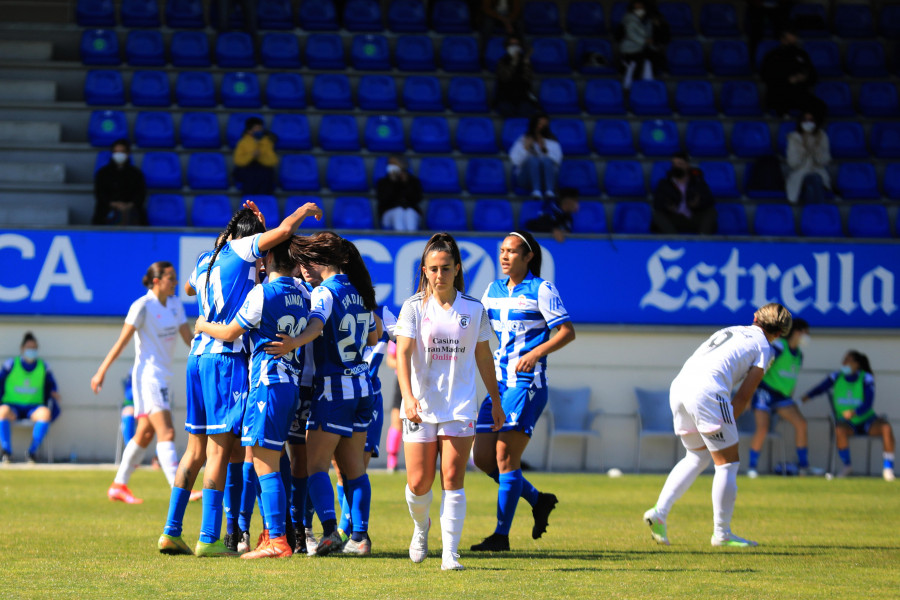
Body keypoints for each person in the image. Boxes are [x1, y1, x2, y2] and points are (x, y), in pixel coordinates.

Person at [156, 200, 321, 557]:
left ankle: (171, 530)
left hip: (195, 357)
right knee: (223, 450)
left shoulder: (206, 258)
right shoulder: (243, 251)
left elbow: (188, 290)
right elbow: (283, 233)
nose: (261, 256)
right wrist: (298, 214)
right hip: (225, 358)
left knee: (195, 450)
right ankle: (211, 537)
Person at [194, 237, 312, 559]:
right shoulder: (303, 292)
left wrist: (204, 324)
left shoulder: (261, 294)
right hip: (290, 383)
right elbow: (318, 324)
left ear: (269, 256)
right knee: (270, 460)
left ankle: (276, 540)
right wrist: (296, 341)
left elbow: (231, 332)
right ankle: (274, 536)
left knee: (263, 464)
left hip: (266, 383)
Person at [396, 232, 504, 570]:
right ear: (424, 271)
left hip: (459, 406)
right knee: (417, 482)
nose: (439, 275)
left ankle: (450, 554)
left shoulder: (474, 309)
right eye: (432, 269)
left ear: (457, 269)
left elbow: (485, 357)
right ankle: (420, 527)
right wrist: (408, 397)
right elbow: (401, 354)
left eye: (445, 268)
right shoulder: (414, 307)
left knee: (452, 477)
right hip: (421, 406)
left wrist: (496, 402)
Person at [267, 232, 380, 556]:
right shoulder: (359, 291)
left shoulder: (324, 293)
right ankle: (359, 538)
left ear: (320, 261)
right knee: (353, 470)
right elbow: (374, 337)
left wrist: (292, 342)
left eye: (308, 260)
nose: (304, 267)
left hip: (334, 389)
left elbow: (316, 327)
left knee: (316, 466)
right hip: (362, 387)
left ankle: (330, 531)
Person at [643, 303, 793, 548]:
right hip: (707, 392)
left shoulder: (731, 329)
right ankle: (722, 534)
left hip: (679, 387)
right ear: (779, 334)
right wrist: (725, 426)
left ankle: (659, 512)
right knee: (728, 463)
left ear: (754, 317)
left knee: (696, 456)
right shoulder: (765, 348)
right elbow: (744, 396)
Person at [471, 230, 576, 552]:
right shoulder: (492, 289)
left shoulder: (541, 289)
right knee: (483, 459)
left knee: (505, 456)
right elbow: (478, 328)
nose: (505, 256)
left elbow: (567, 332)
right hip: (498, 384)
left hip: (526, 385)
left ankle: (501, 536)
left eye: (512, 251)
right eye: (502, 250)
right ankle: (537, 499)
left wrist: (535, 353)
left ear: (528, 256)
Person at [90, 262, 194, 504]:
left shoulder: (176, 305)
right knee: (166, 431)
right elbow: (121, 343)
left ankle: (118, 485)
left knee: (145, 433)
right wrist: (101, 371)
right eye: (171, 278)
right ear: (156, 281)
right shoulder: (142, 306)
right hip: (148, 376)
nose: (175, 283)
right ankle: (179, 488)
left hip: (163, 376)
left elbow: (189, 338)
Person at [335, 306, 397, 545]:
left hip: (368, 397)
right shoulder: (333, 303)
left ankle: (353, 531)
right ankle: (348, 530)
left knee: (356, 467)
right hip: (337, 394)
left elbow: (406, 341)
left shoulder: (383, 314)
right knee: (340, 469)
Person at [802, 351, 896, 481]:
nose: (844, 363)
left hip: (866, 420)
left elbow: (868, 403)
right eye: (844, 359)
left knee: (886, 428)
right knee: (839, 430)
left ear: (857, 364)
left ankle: (888, 469)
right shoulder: (837, 376)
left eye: (848, 360)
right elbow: (821, 388)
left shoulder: (866, 378)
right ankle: (847, 466)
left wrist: (854, 412)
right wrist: (805, 398)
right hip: (847, 423)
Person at [747, 318, 811, 478]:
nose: (808, 337)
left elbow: (792, 379)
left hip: (782, 397)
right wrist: (748, 393)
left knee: (801, 423)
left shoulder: (799, 356)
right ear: (797, 332)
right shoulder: (779, 347)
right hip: (765, 392)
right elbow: (759, 367)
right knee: (762, 428)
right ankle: (752, 467)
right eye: (806, 333)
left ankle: (804, 466)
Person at [0, 333, 61, 464]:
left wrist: (54, 392)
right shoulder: (11, 364)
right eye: (28, 347)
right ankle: (6, 451)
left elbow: (51, 384)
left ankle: (32, 452)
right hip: (13, 407)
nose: (31, 350)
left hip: (33, 407)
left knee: (45, 414)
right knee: (2, 411)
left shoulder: (43, 367)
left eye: (34, 348)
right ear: (22, 348)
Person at [760, 28, 826, 118]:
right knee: (780, 101)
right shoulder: (772, 56)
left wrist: (804, 78)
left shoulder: (802, 55)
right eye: (789, 42)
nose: (792, 45)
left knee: (820, 107)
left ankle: (810, 129)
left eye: (793, 42)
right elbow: (766, 76)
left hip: (799, 93)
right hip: (779, 93)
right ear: (782, 40)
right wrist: (788, 80)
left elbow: (813, 76)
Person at [652, 152, 717, 235]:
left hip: (693, 217)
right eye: (674, 164)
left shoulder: (697, 182)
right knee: (658, 215)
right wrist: (668, 206)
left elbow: (710, 200)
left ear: (687, 165)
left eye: (680, 164)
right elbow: (657, 203)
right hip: (675, 218)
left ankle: (702, 240)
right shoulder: (665, 183)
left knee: (711, 212)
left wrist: (697, 204)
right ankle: (674, 239)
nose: (676, 166)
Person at [92, 139, 146, 226]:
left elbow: (141, 194)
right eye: (116, 152)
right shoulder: (103, 173)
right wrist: (114, 204)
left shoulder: (136, 174)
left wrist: (129, 205)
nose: (119, 155)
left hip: (131, 211)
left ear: (128, 153)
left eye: (122, 152)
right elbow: (99, 194)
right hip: (107, 210)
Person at [509, 114, 562, 200]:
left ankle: (549, 191)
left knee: (547, 161)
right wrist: (525, 148)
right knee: (533, 160)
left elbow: (557, 161)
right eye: (539, 124)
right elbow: (514, 161)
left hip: (547, 179)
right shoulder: (523, 139)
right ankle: (536, 191)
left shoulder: (552, 142)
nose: (541, 127)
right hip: (526, 179)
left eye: (544, 125)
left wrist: (544, 149)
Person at [786, 112, 831, 204]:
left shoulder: (822, 136)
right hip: (800, 174)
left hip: (818, 172)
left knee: (815, 180)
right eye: (805, 120)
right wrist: (803, 151)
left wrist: (816, 151)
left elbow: (825, 161)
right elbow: (792, 164)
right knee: (813, 181)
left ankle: (812, 213)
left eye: (810, 120)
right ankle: (817, 212)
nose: (808, 123)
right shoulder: (794, 138)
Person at [618, 1, 664, 90]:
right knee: (639, 60)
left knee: (655, 55)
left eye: (641, 7)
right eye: (636, 7)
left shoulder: (648, 20)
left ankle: (649, 84)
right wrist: (645, 41)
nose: (639, 9)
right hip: (630, 48)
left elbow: (651, 34)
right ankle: (631, 86)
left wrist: (651, 41)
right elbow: (631, 34)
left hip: (643, 48)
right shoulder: (629, 18)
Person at [494, 35, 538, 118]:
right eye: (511, 44)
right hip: (505, 96)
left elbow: (528, 78)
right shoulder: (502, 61)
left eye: (517, 44)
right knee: (507, 111)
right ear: (507, 47)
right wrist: (514, 62)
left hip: (523, 96)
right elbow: (504, 77)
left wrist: (526, 62)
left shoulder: (525, 61)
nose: (514, 47)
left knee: (526, 111)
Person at [233, 117, 278, 196]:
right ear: (249, 130)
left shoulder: (267, 142)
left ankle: (264, 203)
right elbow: (238, 161)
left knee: (266, 176)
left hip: (263, 171)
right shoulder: (243, 142)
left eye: (260, 128)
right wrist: (251, 155)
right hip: (247, 171)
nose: (259, 131)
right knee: (249, 177)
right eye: (256, 128)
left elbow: (273, 160)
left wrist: (260, 156)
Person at [376, 157, 423, 232]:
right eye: (389, 164)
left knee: (409, 212)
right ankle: (401, 237)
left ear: (402, 165)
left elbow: (416, 199)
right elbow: (383, 200)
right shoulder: (383, 182)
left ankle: (410, 237)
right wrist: (392, 183)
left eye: (394, 164)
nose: (391, 166)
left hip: (409, 211)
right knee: (399, 211)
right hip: (388, 213)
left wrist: (406, 183)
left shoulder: (413, 181)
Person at [384, 343, 403, 473]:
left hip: (425, 380)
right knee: (396, 422)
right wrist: (406, 363)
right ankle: (392, 461)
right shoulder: (398, 330)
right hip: (402, 380)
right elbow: (390, 360)